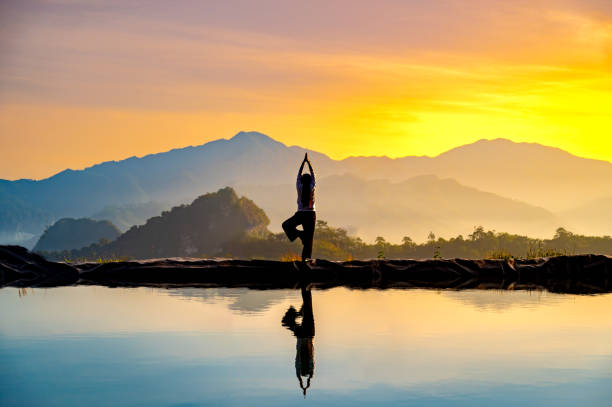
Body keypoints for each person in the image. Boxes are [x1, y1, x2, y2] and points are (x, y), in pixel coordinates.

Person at [282, 287, 315, 397]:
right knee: (288, 321)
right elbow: (300, 375)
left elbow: (310, 374)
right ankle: (300, 310)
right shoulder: (302, 363)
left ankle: (300, 310)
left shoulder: (308, 363)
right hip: (303, 335)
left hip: (308, 334)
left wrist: (305, 385)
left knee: (308, 312)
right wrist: (303, 385)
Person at [282, 153, 316, 261]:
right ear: (310, 180)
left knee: (286, 225)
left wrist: (303, 162)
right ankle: (306, 260)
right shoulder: (312, 186)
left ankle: (300, 235)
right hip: (311, 215)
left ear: (301, 180)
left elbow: (298, 175)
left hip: (301, 214)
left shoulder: (299, 186)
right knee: (309, 240)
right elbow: (313, 174)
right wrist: (309, 163)